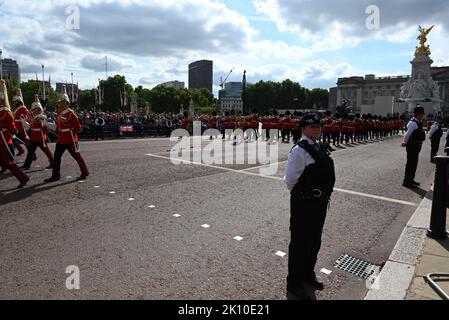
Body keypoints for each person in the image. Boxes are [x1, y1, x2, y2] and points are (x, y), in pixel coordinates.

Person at [284, 113, 336, 300]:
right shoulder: (299, 150)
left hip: (318, 203)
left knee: (314, 241)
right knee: (299, 243)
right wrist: (303, 195)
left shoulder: (317, 146)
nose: (317, 128)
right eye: (313, 126)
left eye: (319, 126)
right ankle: (294, 283)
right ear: (303, 128)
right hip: (304, 203)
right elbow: (290, 180)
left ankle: (307, 274)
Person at [44, 85, 89, 182]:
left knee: (77, 156)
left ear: (66, 103)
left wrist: (72, 130)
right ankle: (55, 176)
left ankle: (85, 172)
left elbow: (78, 128)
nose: (59, 104)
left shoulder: (71, 113)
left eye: (61, 102)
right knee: (56, 157)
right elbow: (57, 127)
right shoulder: (59, 114)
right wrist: (46, 123)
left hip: (71, 138)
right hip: (62, 138)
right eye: (59, 102)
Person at [0, 80, 29, 188]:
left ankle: (23, 177)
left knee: (8, 160)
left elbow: (12, 128)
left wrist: (14, 132)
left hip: (4, 138)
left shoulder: (5, 112)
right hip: (3, 137)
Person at [21, 95, 54, 170]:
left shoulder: (42, 116)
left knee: (46, 151)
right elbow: (29, 127)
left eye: (35, 109)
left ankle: (52, 162)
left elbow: (45, 127)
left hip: (40, 137)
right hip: (34, 137)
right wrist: (23, 121)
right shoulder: (34, 117)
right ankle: (27, 164)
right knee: (30, 151)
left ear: (38, 109)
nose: (33, 111)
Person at [402, 106, 426, 188]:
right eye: (422, 114)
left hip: (416, 146)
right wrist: (405, 142)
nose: (423, 116)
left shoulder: (417, 122)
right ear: (419, 114)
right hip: (412, 146)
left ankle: (411, 179)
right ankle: (407, 182)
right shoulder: (413, 123)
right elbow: (407, 134)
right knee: (411, 164)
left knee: (413, 163)